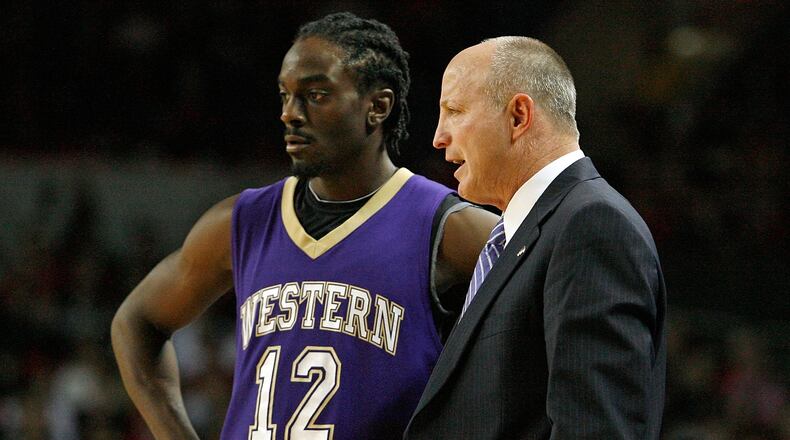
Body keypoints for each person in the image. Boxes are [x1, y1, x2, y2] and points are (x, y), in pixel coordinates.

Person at [111, 12, 498, 440]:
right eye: (285, 96)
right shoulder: (241, 221)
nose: (290, 114)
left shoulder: (446, 226)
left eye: (314, 95)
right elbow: (136, 323)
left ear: (378, 106)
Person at [404, 37, 667, 439]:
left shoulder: (591, 226)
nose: (439, 137)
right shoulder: (522, 235)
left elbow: (596, 430)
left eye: (454, 111)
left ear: (518, 116)